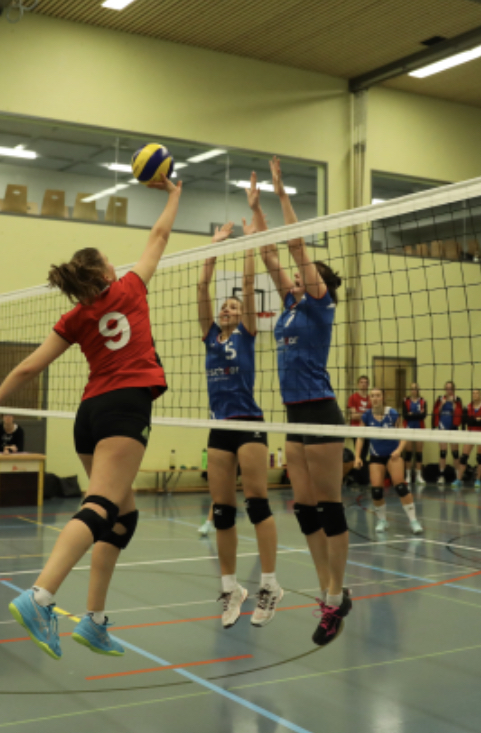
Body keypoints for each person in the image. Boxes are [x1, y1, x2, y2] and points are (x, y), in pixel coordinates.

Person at [0, 175, 182, 660]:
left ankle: (95, 622)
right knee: (100, 505)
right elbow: (160, 236)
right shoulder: (130, 287)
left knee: (122, 517)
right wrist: (174, 193)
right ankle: (40, 597)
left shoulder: (76, 317)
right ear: (104, 271)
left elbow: (29, 366)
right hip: (125, 408)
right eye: (109, 259)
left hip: (90, 415)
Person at [259, 155, 351, 647]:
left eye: (302, 276)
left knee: (330, 507)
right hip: (294, 414)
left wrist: (282, 194)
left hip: (320, 410)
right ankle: (328, 590)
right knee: (305, 510)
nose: (293, 280)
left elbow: (294, 249)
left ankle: (335, 598)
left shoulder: (319, 305)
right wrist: (257, 211)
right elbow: (270, 256)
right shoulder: (291, 308)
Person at [197, 184, 281, 628]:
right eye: (225, 306)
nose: (229, 309)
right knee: (222, 511)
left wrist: (249, 243)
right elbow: (201, 286)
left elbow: (248, 285)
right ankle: (231, 589)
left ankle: (269, 583)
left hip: (248, 422)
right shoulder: (210, 335)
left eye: (233, 306)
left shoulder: (247, 334)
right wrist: (212, 250)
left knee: (257, 504)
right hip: (219, 426)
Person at [353, 388, 422, 536]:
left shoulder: (392, 414)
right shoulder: (366, 416)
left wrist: (399, 450)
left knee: (401, 487)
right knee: (376, 490)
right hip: (376, 456)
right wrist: (357, 457)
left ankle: (413, 521)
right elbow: (360, 437)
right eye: (372, 396)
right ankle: (382, 520)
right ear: (370, 398)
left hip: (393, 455)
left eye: (378, 395)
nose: (375, 398)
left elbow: (404, 434)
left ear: (383, 397)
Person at [433, 381, 463, 487]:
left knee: (455, 453)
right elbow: (436, 412)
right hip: (442, 427)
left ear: (453, 389)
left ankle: (458, 476)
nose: (448, 390)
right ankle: (441, 475)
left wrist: (453, 403)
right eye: (447, 388)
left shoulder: (457, 399)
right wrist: (442, 404)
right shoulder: (440, 399)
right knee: (443, 452)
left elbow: (459, 412)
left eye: (450, 388)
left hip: (453, 427)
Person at [459, 390, 481, 490]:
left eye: (477, 393)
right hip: (470, 434)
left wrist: (472, 419)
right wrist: (476, 419)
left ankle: (478, 480)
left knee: (479, 458)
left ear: (480, 395)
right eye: (473, 393)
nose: (475, 395)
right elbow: (464, 420)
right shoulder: (467, 407)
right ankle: (458, 479)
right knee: (464, 457)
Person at [402, 382, 427, 486]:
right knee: (408, 453)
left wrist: (412, 414)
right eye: (412, 388)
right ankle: (407, 476)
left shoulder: (423, 401)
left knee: (419, 453)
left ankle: (418, 476)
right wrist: (417, 414)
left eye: (415, 388)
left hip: (419, 428)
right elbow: (405, 416)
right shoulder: (405, 401)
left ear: (418, 390)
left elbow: (423, 415)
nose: (414, 390)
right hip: (408, 428)